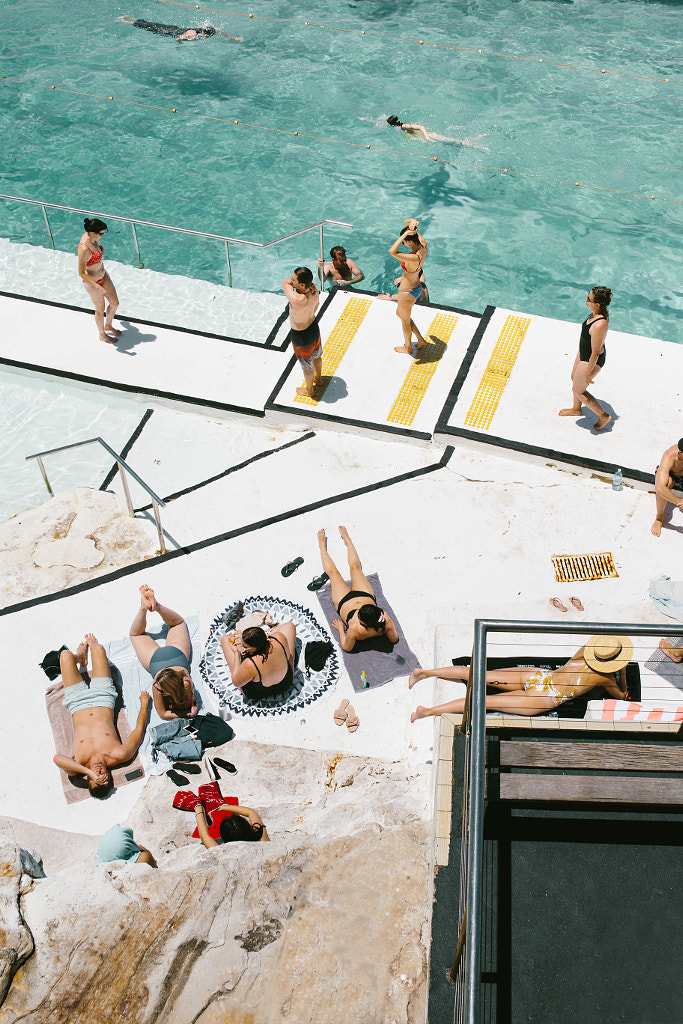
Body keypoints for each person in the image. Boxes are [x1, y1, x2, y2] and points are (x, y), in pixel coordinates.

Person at [410, 635, 632, 722]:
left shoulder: (585, 650)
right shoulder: (604, 678)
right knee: (484, 702)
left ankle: (424, 673)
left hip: (539, 676)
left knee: (478, 675)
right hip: (545, 697)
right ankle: (426, 711)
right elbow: (623, 696)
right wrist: (621, 673)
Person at [53, 634, 150, 798]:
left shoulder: (78, 763)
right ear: (110, 777)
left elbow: (57, 759)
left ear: (88, 779)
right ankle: (85, 655)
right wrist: (145, 704)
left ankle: (79, 657)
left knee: (65, 655)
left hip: (77, 703)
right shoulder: (119, 756)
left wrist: (85, 771)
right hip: (103, 698)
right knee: (98, 649)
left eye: (95, 779)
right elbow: (138, 731)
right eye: (104, 778)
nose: (98, 773)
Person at [317, 526, 399, 653]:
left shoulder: (355, 629)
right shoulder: (385, 620)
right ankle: (347, 540)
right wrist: (388, 626)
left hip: (343, 601)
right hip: (364, 595)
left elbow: (346, 647)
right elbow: (394, 639)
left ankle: (322, 546)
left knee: (333, 574)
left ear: (363, 624)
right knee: (355, 568)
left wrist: (340, 628)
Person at [129, 585, 199, 719]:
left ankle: (149, 608)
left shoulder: (165, 686)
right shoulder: (164, 685)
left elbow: (162, 714)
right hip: (160, 661)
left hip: (176, 655)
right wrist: (188, 714)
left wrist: (189, 713)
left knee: (177, 624)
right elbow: (164, 714)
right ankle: (151, 607)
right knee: (137, 634)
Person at [559, 286, 613, 430]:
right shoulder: (595, 313)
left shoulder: (600, 324)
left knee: (579, 390)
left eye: (589, 299)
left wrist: (589, 372)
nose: (586, 300)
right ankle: (576, 409)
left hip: (590, 359)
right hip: (583, 354)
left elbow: (596, 352)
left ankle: (603, 416)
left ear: (597, 304)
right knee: (573, 377)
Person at [220, 622, 297, 701]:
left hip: (257, 693)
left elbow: (236, 683)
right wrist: (244, 637)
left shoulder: (249, 664)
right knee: (289, 626)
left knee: (225, 639)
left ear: (250, 649)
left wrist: (237, 653)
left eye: (245, 647)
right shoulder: (279, 638)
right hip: (285, 683)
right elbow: (287, 657)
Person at [387, 219, 428, 356]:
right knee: (400, 314)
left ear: (409, 240)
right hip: (416, 287)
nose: (404, 244)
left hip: (406, 292)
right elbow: (407, 223)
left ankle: (408, 348)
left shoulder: (414, 257)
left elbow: (392, 251)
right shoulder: (423, 246)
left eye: (405, 242)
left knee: (404, 322)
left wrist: (403, 236)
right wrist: (412, 224)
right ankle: (421, 340)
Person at [77, 218, 121, 344]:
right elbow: (81, 273)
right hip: (93, 283)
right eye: (101, 234)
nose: (102, 236)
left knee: (115, 303)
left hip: (103, 275)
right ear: (92, 233)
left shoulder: (91, 236)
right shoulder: (84, 249)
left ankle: (108, 325)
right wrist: (98, 287)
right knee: (100, 309)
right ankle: (102, 335)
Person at [283, 267, 323, 398]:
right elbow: (316, 307)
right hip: (314, 327)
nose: (291, 280)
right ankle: (319, 379)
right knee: (317, 355)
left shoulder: (297, 299)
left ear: (302, 284)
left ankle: (309, 390)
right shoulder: (315, 292)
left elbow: (284, 282)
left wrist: (291, 282)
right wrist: (310, 285)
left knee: (306, 365)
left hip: (301, 336)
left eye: (294, 279)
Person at [193, 802, 269, 848]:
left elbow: (204, 836)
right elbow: (251, 812)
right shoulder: (262, 838)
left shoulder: (222, 852)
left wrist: (198, 808)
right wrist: (222, 807)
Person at [117, 17, 241, 42]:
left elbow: (220, 32)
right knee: (148, 27)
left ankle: (129, 17)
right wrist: (180, 40)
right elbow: (181, 36)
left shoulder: (208, 31)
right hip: (169, 32)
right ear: (205, 33)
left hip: (174, 28)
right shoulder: (193, 33)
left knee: (150, 24)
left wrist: (233, 38)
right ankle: (124, 20)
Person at [651, 439, 683, 537]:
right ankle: (659, 518)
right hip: (671, 477)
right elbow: (659, 488)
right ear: (680, 453)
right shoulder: (669, 456)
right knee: (666, 483)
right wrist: (679, 502)